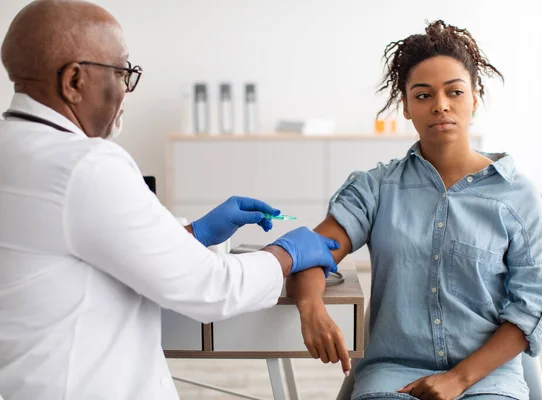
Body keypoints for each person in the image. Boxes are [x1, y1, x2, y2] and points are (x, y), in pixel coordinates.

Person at [0, 1, 339, 399]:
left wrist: (192, 233)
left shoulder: (14, 148)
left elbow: (81, 250)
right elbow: (210, 288)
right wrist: (287, 253)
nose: (126, 89)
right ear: (74, 81)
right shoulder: (86, 165)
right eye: (122, 72)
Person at [286, 20, 542, 400]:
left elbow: (535, 306)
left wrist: (459, 378)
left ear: (474, 99)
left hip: (488, 378)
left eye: (454, 92)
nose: (440, 105)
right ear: (405, 106)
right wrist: (311, 307)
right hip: (390, 376)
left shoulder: (518, 197)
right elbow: (310, 252)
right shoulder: (376, 188)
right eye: (423, 95)